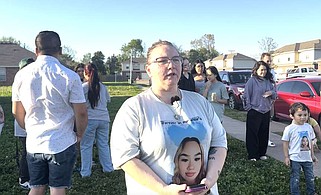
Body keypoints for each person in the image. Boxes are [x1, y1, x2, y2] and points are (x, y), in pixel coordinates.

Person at [110, 40, 227, 195]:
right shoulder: (134, 108)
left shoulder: (200, 102)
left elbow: (219, 143)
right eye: (162, 61)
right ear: (148, 69)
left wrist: (209, 181)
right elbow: (126, 158)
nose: (171, 65)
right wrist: (163, 189)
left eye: (175, 59)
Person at [11, 31, 88, 195]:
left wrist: (30, 130)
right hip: (62, 141)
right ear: (60, 50)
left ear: (36, 50)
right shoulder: (70, 76)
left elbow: (16, 111)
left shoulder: (21, 75)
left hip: (34, 143)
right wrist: (80, 134)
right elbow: (81, 113)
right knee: (58, 189)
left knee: (36, 187)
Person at [80, 63, 113, 177]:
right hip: (104, 119)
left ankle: (85, 172)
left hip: (90, 120)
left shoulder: (83, 87)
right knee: (103, 144)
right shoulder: (102, 87)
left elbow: (80, 105)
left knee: (86, 146)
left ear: (85, 73)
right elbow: (107, 101)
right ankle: (108, 168)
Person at [281, 102, 318, 194]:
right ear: (292, 115)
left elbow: (310, 143)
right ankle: (295, 193)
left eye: (305, 115)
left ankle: (311, 192)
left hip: (307, 159)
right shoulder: (289, 128)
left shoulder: (309, 127)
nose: (303, 117)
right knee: (295, 178)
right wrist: (286, 157)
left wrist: (312, 155)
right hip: (295, 158)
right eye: (299, 115)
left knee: (310, 178)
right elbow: (285, 143)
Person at [243, 61, 276, 161]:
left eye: (265, 69)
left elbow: (275, 93)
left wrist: (271, 92)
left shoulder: (269, 81)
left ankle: (262, 153)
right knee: (253, 134)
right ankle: (253, 155)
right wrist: (249, 108)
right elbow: (246, 95)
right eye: (261, 70)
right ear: (256, 70)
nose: (263, 72)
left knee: (264, 133)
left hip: (265, 110)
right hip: (254, 110)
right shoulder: (252, 81)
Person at [14, 57, 35, 189]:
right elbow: (17, 110)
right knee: (27, 153)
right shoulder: (21, 83)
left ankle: (32, 177)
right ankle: (24, 178)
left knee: (32, 153)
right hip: (24, 126)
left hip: (32, 126)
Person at [261, 52, 276, 147]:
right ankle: (260, 139)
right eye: (267, 61)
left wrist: (273, 96)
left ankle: (267, 139)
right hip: (259, 102)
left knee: (268, 120)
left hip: (269, 100)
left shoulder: (272, 72)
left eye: (270, 61)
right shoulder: (257, 72)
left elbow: (274, 86)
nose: (269, 62)